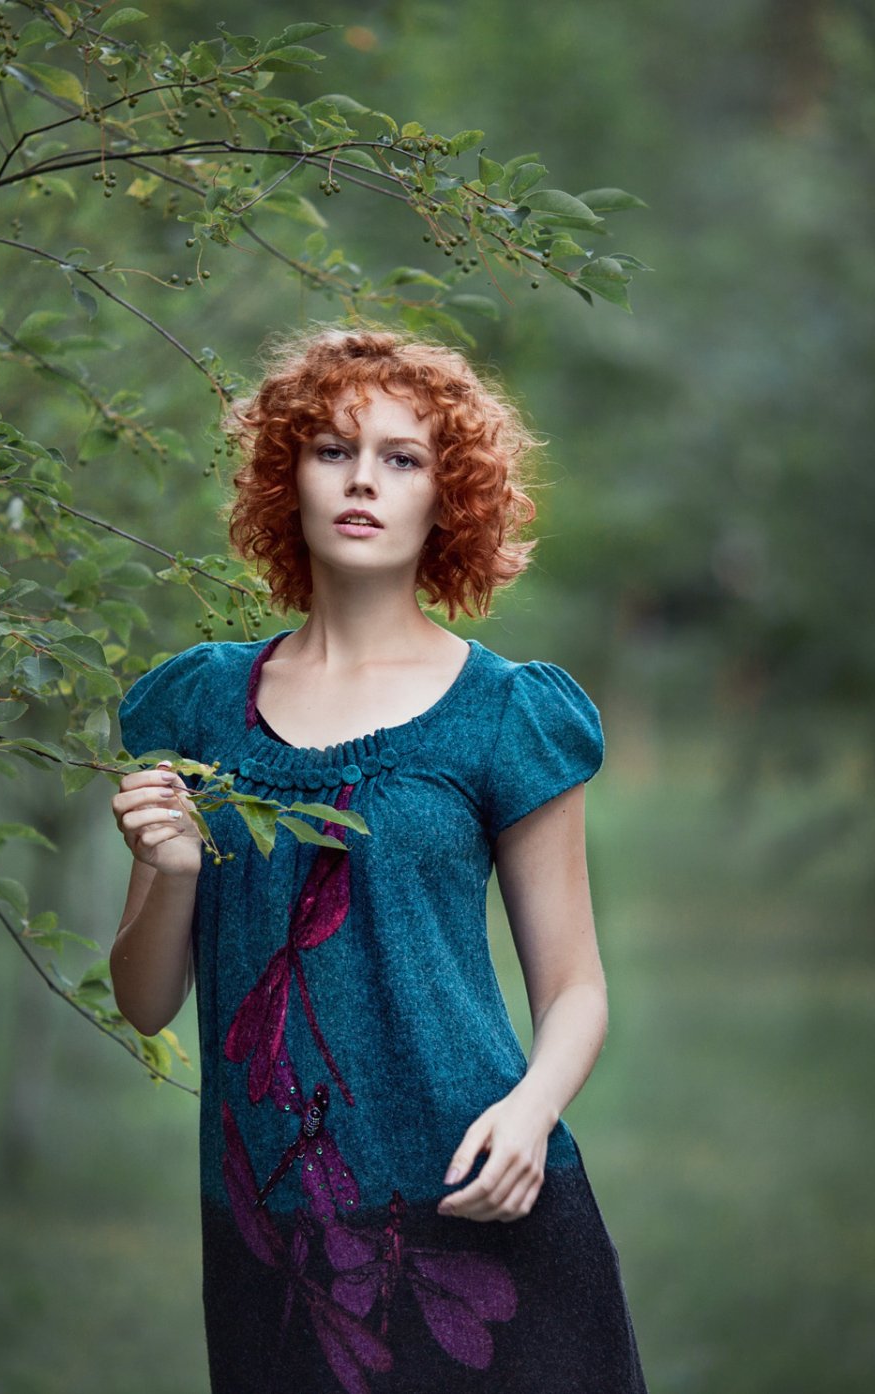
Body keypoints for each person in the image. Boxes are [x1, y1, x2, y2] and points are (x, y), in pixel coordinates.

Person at [107, 325, 647, 1392]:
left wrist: (532, 1112)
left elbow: (577, 984)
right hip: (274, 1225)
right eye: (332, 450)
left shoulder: (504, 715)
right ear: (285, 475)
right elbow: (143, 998)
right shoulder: (202, 704)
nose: (364, 480)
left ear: (450, 495)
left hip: (474, 1194)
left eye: (403, 458)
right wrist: (171, 869)